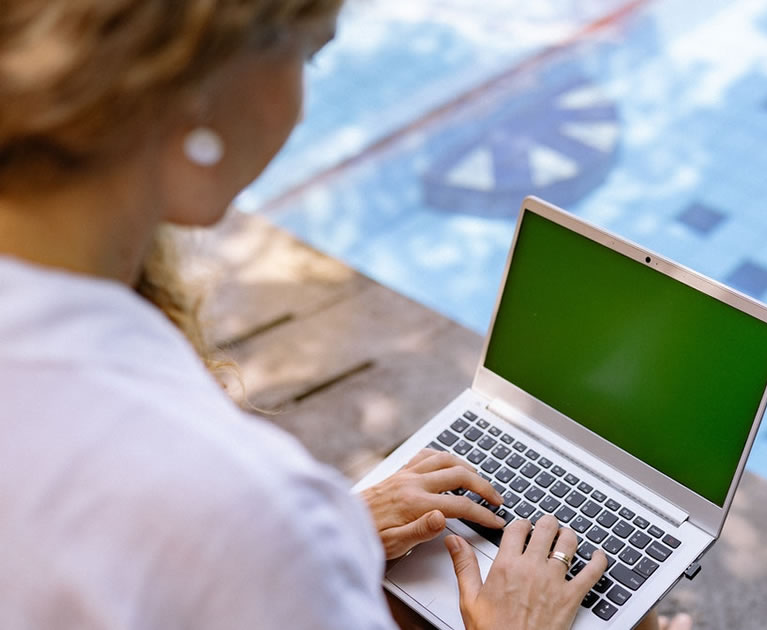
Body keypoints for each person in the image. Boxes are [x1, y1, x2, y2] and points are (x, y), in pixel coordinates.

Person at [0, 1, 691, 629]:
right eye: (310, 54)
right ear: (197, 91)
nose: (302, 106)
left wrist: (347, 529)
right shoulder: (239, 507)